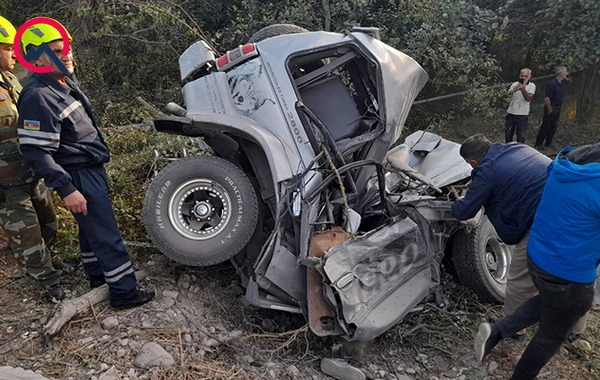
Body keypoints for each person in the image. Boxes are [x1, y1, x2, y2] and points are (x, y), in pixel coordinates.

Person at [16, 18, 154, 309]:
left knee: (91, 231)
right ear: (36, 58)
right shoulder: (38, 96)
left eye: (66, 48)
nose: (65, 54)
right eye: (55, 49)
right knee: (106, 233)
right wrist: (67, 189)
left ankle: (97, 277)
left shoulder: (62, 83)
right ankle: (125, 293)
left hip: (89, 170)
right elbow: (35, 151)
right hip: (77, 175)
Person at [473, 142, 600, 380]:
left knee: (552, 301)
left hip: (537, 256)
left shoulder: (567, 161)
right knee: (551, 335)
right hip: (569, 273)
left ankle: (498, 330)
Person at [0, 15, 64, 300]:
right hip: (6, 184)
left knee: (49, 223)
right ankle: (48, 283)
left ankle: (52, 261)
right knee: (26, 236)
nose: (14, 53)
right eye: (6, 47)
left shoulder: (11, 79)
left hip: (31, 171)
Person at [451, 135, 551, 317]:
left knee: (519, 278)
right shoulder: (516, 147)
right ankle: (574, 330)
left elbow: (463, 212)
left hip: (544, 219)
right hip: (574, 207)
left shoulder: (487, 172)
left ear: (473, 162)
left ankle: (514, 329)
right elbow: (510, 175)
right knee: (571, 271)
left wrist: (457, 201)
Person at [534, 66, 569, 149]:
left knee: (553, 126)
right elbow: (547, 98)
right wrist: (550, 109)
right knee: (546, 126)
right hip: (551, 107)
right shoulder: (552, 84)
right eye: (565, 72)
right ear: (561, 73)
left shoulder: (560, 84)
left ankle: (548, 143)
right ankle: (539, 143)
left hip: (558, 107)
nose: (567, 73)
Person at [505, 68, 535, 143]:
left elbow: (529, 98)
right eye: (522, 76)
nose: (524, 78)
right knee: (508, 135)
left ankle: (520, 152)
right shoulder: (514, 84)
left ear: (530, 76)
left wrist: (523, 90)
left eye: (526, 76)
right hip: (511, 113)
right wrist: (515, 89)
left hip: (522, 115)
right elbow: (507, 95)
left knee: (521, 137)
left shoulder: (532, 86)